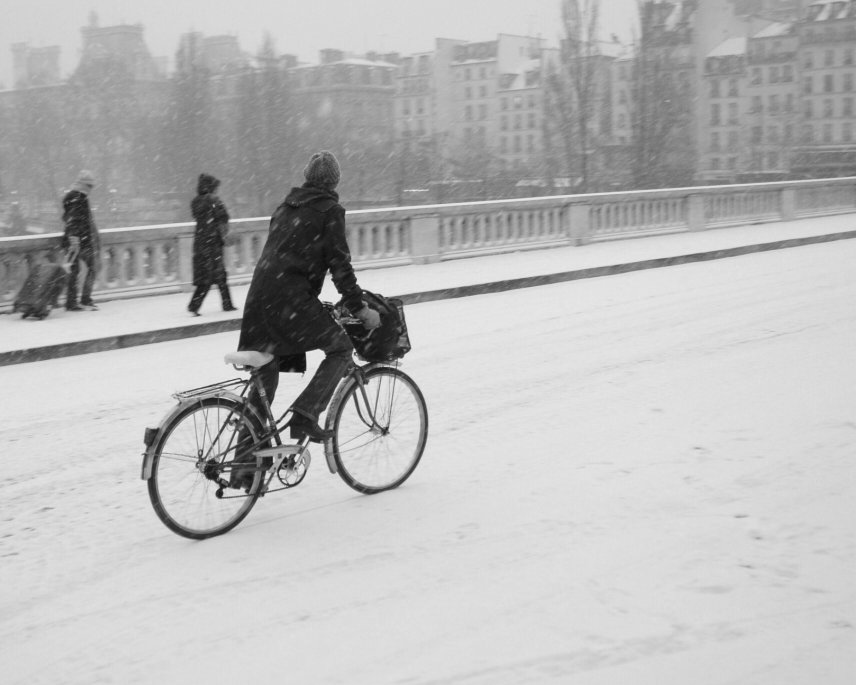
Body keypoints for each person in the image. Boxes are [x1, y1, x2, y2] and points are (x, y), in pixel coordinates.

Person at [231, 151, 380, 488]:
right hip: (291, 300)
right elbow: (340, 267)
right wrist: (359, 308)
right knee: (341, 348)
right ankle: (305, 415)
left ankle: (244, 467)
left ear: (307, 177)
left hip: (259, 300)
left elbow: (285, 256)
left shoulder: (285, 207)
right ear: (335, 182)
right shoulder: (329, 211)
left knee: (264, 377)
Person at [188, 173, 236, 315]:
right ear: (211, 187)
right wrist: (225, 234)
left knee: (205, 275)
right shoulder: (214, 200)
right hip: (213, 242)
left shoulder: (196, 201)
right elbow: (223, 218)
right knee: (217, 275)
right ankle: (198, 305)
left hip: (201, 242)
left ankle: (197, 305)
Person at [61, 170, 100, 311]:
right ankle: (82, 300)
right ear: (85, 185)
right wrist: (74, 239)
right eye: (90, 186)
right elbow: (73, 220)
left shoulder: (73, 196)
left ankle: (74, 302)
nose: (91, 189)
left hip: (78, 240)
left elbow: (68, 218)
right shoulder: (78, 197)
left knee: (75, 271)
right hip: (78, 242)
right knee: (92, 268)